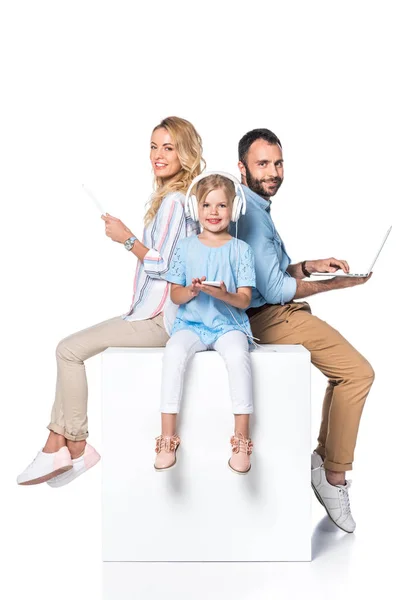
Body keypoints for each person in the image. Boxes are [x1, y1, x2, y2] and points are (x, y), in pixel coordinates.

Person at [17, 116, 205, 487]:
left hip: (162, 319)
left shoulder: (175, 203)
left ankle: (75, 444)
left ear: (185, 153)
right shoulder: (174, 200)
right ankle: (60, 443)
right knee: (70, 349)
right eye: (154, 146)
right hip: (155, 313)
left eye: (168, 147)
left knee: (68, 350)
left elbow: (166, 266)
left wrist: (126, 238)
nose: (158, 155)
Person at [234, 128, 374, 532]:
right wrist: (339, 284)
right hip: (268, 318)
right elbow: (274, 289)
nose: (273, 172)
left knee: (344, 373)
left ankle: (326, 460)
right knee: (358, 373)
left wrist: (312, 266)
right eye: (262, 164)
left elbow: (273, 274)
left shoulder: (257, 207)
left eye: (278, 163)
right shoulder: (252, 218)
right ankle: (333, 477)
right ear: (241, 168)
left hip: (275, 309)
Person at [154, 173, 256, 474]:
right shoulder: (185, 248)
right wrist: (193, 290)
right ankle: (167, 437)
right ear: (195, 209)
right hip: (191, 324)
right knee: (173, 352)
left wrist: (225, 294)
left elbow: (244, 300)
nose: (214, 212)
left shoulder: (241, 250)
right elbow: (176, 294)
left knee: (238, 356)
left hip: (228, 326)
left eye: (222, 205)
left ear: (234, 209)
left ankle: (241, 439)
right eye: (207, 205)